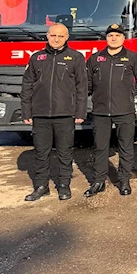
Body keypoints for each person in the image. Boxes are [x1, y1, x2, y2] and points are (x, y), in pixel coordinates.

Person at [20, 23, 87, 201]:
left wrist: (81, 111)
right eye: (53, 36)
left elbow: (82, 87)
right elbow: (27, 86)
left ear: (66, 38)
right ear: (47, 36)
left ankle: (64, 186)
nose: (56, 39)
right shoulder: (36, 58)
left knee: (65, 153)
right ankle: (41, 186)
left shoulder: (76, 58)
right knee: (41, 153)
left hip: (65, 114)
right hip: (40, 114)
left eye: (60, 36)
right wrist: (26, 111)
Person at [84, 24, 137, 197]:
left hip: (124, 110)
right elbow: (86, 82)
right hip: (100, 111)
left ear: (123, 38)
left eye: (117, 35)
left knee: (126, 147)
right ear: (106, 38)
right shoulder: (95, 59)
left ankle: (124, 181)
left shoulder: (132, 57)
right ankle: (98, 181)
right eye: (110, 35)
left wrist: (129, 93)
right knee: (100, 148)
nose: (113, 38)